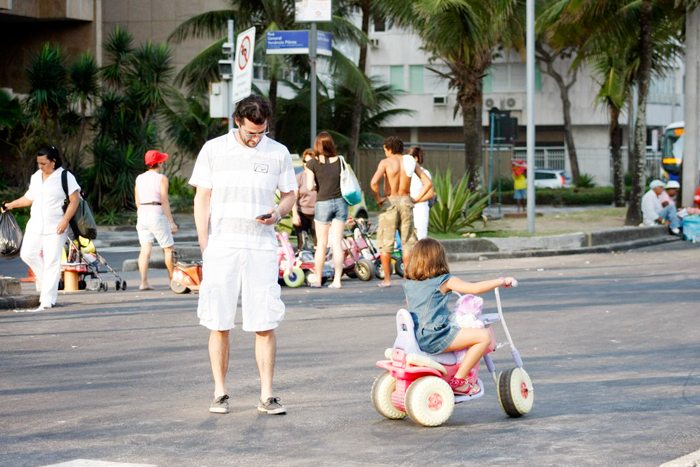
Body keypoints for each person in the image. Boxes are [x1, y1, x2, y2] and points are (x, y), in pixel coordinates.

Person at [189, 94, 297, 415]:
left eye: (261, 132)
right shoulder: (213, 149)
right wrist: (205, 244)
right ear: (237, 121)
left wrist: (278, 213)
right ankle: (220, 393)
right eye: (251, 132)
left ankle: (267, 396)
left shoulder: (277, 152)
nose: (256, 139)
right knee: (218, 322)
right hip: (222, 247)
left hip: (261, 247)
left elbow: (290, 194)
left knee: (265, 322)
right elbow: (202, 198)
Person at [403, 238, 516, 396]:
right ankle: (459, 380)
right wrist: (501, 281)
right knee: (483, 336)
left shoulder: (409, 282)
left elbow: (414, 309)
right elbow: (474, 288)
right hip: (435, 336)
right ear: (439, 259)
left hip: (417, 336)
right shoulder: (444, 281)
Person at [1, 146, 80, 311]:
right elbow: (29, 198)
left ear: (53, 161)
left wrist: (65, 221)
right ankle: (49, 284)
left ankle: (46, 301)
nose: (41, 167)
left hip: (56, 226)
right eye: (38, 163)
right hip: (35, 224)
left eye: (44, 163)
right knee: (27, 254)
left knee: (52, 262)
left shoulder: (65, 176)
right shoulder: (36, 177)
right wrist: (10, 205)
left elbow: (75, 200)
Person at [370, 136, 432, 288]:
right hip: (406, 201)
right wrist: (416, 199)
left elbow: (373, 183)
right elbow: (428, 183)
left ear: (388, 148)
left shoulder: (385, 163)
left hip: (390, 201)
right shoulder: (410, 162)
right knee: (407, 242)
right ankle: (407, 278)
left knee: (386, 243)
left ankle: (387, 280)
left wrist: (378, 198)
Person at [304, 132, 347, 289]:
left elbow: (309, 187)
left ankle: (318, 280)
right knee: (337, 243)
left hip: (323, 202)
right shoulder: (340, 161)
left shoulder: (312, 164)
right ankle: (337, 281)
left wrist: (318, 184)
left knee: (321, 244)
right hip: (341, 202)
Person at [134, 150, 179, 290]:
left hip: (142, 214)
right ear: (159, 163)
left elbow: (137, 200)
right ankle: (173, 281)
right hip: (156, 213)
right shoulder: (162, 178)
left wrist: (141, 212)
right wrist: (171, 221)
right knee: (168, 249)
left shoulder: (139, 178)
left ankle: (143, 282)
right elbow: (164, 200)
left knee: (145, 250)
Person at [407, 146, 435, 240]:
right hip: (407, 207)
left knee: (420, 236)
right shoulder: (406, 173)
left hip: (420, 207)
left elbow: (430, 193)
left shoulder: (424, 173)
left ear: (416, 158)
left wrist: (416, 200)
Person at [292, 149, 317, 252]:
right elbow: (294, 197)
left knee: (319, 243)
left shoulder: (320, 176)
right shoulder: (299, 177)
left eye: (310, 162)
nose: (307, 164)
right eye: (305, 162)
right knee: (301, 244)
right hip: (303, 212)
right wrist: (295, 214)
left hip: (318, 213)